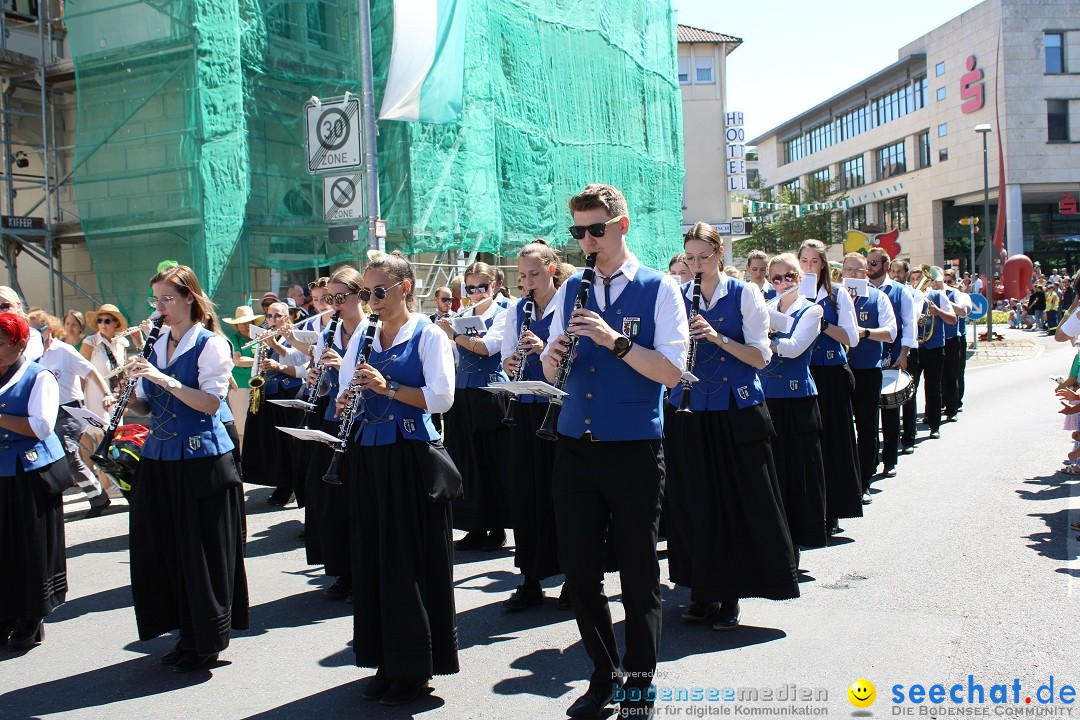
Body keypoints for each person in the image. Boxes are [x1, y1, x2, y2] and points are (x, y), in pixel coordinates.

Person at [540, 184, 688, 719]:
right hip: (575, 447)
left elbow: (672, 372)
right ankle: (604, 673)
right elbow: (554, 376)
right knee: (578, 572)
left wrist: (615, 341)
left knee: (638, 572)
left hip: (634, 450)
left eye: (595, 229)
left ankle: (640, 682)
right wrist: (553, 359)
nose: (586, 241)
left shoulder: (660, 288)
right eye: (578, 232)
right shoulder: (571, 290)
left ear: (622, 226)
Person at [336, 251, 459, 706]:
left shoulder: (428, 334)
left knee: (409, 560)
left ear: (404, 288)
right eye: (366, 292)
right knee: (374, 558)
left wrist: (387, 388)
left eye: (379, 292)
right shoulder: (364, 336)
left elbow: (442, 398)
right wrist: (346, 398)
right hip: (369, 456)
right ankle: (385, 659)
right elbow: (346, 388)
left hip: (410, 458)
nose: (371, 300)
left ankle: (416, 667)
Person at [665, 223, 797, 632]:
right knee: (694, 502)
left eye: (704, 257)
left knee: (736, 501)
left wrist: (717, 338)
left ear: (720, 254)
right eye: (690, 258)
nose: (697, 265)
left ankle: (732, 594)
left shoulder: (746, 293)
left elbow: (760, 357)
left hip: (735, 410)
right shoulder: (679, 295)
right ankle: (701, 589)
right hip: (689, 408)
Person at [125, 264, 248, 673]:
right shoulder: (157, 343)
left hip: (203, 459)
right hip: (161, 458)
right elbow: (148, 407)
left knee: (201, 553)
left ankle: (206, 639)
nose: (159, 308)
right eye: (155, 299)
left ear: (189, 301)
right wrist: (124, 401)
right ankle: (184, 633)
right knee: (169, 551)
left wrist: (164, 380)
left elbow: (211, 403)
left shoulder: (211, 344)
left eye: (167, 299)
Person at [499, 241, 570, 611]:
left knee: (564, 495)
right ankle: (530, 578)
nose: (528, 282)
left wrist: (542, 347)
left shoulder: (568, 304)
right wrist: (510, 363)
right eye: (523, 276)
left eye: (535, 274)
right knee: (526, 494)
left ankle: (574, 577)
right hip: (526, 408)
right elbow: (506, 356)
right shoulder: (517, 309)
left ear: (552, 271)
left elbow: (568, 357)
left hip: (558, 410)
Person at [0, 312, 69, 651]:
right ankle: (5, 613)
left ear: (20, 343)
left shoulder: (38, 376)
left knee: (29, 547)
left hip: (30, 473)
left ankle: (31, 617)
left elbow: (41, 426)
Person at [301, 266, 366, 601]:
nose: (334, 304)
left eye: (340, 298)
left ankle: (363, 571)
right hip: (332, 417)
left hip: (363, 420)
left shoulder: (372, 330)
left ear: (358, 296)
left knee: (357, 496)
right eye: (329, 299)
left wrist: (344, 369)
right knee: (329, 495)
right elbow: (325, 381)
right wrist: (316, 378)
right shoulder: (329, 334)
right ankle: (342, 569)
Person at [438, 261, 511, 551]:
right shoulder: (462, 314)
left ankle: (498, 527)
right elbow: (454, 356)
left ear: (495, 286)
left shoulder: (504, 315)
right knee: (466, 461)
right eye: (471, 288)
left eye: (483, 286)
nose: (477, 293)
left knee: (493, 461)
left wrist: (454, 334)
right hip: (464, 392)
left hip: (491, 393)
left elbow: (488, 347)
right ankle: (475, 525)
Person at [760, 253, 828, 559]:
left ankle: (797, 543)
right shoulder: (765, 308)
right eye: (775, 278)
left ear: (799, 279)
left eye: (788, 277)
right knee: (770, 473)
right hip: (767, 398)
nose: (781, 283)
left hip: (797, 400)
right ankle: (772, 543)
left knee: (797, 473)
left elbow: (794, 348)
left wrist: (765, 341)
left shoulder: (811, 310)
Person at [799, 239, 864, 518]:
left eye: (814, 261)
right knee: (808, 446)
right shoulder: (791, 292)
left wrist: (823, 324)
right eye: (804, 261)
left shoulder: (837, 294)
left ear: (823, 264)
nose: (809, 267)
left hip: (831, 373)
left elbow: (852, 338)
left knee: (835, 441)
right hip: (803, 373)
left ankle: (837, 509)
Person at [34, 312, 116, 517]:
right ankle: (99, 498)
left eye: (37, 331)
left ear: (48, 330)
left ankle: (52, 500)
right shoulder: (33, 355)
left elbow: (90, 371)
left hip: (70, 410)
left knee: (63, 451)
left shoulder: (63, 350)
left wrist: (106, 394)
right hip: (47, 411)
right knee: (69, 459)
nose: (32, 336)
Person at [841, 254, 897, 495]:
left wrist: (865, 333)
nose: (854, 275)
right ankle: (844, 481)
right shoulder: (834, 297)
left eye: (859, 271)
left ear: (867, 273)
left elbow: (891, 332)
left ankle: (864, 481)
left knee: (867, 427)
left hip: (866, 371)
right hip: (839, 371)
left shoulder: (878, 297)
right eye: (849, 271)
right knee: (841, 429)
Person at [242, 301, 306, 506]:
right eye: (269, 316)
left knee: (291, 445)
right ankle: (281, 483)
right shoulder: (265, 336)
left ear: (288, 317)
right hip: (269, 393)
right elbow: (256, 365)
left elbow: (301, 366)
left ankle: (295, 487)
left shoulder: (296, 336)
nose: (272, 320)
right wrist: (255, 386)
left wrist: (278, 365)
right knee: (274, 444)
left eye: (277, 316)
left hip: (290, 392)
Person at [874, 252, 917, 468]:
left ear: (885, 265)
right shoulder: (858, 290)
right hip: (868, 359)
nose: (870, 266)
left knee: (890, 412)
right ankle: (871, 461)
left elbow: (910, 325)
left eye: (873, 262)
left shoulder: (901, 292)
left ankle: (890, 460)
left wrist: (904, 354)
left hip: (893, 355)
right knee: (869, 416)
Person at [914, 267, 957, 440]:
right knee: (911, 388)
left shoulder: (938, 296)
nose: (917, 282)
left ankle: (934, 425)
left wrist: (938, 312)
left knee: (933, 388)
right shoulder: (910, 295)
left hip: (934, 347)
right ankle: (910, 428)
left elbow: (953, 319)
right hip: (915, 347)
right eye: (914, 279)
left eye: (921, 279)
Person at [81, 304, 133, 421]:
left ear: (116, 323)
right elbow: (81, 371)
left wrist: (124, 399)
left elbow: (123, 372)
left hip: (115, 393)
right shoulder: (90, 342)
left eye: (107, 321)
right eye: (100, 321)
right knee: (99, 430)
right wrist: (80, 399)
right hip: (95, 394)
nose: (103, 324)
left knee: (115, 432)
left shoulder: (122, 342)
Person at [221, 305, 263, 447]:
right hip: (241, 387)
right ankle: (243, 461)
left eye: (247, 322)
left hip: (260, 388)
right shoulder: (233, 339)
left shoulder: (259, 338)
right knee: (241, 426)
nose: (245, 325)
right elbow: (237, 360)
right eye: (241, 322)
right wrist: (260, 361)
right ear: (236, 325)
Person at [940, 270, 970, 422]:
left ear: (955, 283)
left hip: (956, 337)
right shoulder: (935, 294)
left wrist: (945, 300)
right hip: (939, 338)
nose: (945, 284)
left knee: (956, 373)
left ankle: (955, 401)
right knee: (941, 375)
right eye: (943, 281)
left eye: (949, 281)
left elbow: (964, 312)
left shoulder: (960, 295)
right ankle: (943, 401)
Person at [0, 287, 44, 361]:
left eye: (5, 306)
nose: (0, 312)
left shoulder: (33, 335)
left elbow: (20, 359)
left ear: (18, 306)